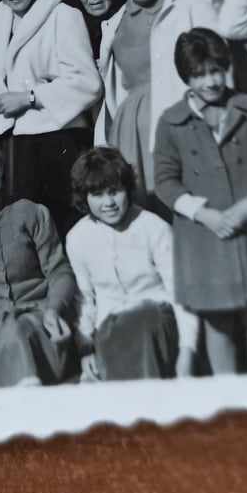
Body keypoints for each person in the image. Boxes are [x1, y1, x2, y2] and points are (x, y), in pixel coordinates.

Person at [152, 28, 247, 376]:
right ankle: (227, 396)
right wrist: (203, 215)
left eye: (216, 71)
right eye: (199, 75)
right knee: (217, 322)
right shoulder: (171, 122)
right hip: (205, 236)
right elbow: (164, 181)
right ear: (186, 77)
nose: (211, 81)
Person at [0, 0, 102, 233]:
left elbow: (88, 83)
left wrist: (31, 97)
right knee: (28, 232)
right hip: (15, 144)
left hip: (59, 140)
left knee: (65, 227)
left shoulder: (63, 16)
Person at [93, 0, 219, 196]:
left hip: (186, 126)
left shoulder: (191, 7)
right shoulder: (114, 24)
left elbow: (220, 74)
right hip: (131, 136)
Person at [0, 135, 78, 389]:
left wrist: (53, 309)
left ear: (2, 171)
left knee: (17, 331)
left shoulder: (31, 213)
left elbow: (59, 272)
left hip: (38, 327)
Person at [66, 147, 191, 381]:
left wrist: (187, 349)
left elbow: (180, 293)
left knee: (142, 323)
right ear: (85, 197)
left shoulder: (154, 227)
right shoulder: (77, 237)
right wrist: (85, 348)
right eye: (97, 195)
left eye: (115, 192)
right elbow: (85, 299)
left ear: (127, 189)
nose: (109, 203)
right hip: (109, 328)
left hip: (157, 321)